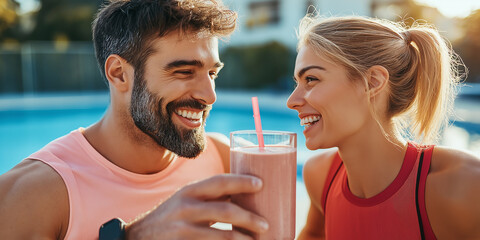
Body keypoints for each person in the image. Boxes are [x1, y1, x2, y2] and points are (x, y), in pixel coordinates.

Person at [0, 0, 270, 239]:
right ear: (119, 74)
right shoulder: (32, 194)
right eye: (185, 72)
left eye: (212, 73)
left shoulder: (221, 158)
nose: (209, 96)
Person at [287, 15, 480, 240]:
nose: (292, 100)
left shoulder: (464, 186)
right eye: (297, 82)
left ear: (373, 82)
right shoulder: (320, 176)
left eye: (311, 79)